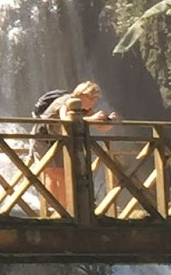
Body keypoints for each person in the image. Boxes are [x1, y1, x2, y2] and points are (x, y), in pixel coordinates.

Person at [35, 80, 115, 213]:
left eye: (96, 98)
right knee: (53, 173)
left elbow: (103, 127)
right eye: (92, 97)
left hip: (59, 141)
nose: (94, 101)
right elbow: (65, 119)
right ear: (82, 94)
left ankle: (66, 209)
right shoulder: (67, 100)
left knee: (65, 172)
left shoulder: (85, 109)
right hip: (44, 140)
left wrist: (110, 121)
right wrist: (91, 119)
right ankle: (51, 210)